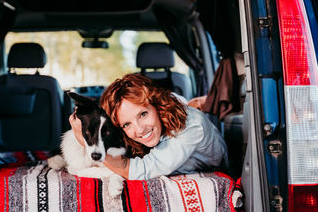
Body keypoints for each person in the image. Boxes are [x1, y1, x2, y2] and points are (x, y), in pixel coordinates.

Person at [69, 74, 228, 180]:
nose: (139, 130)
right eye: (126, 124)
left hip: (211, 167)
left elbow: (139, 170)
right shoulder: (161, 113)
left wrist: (85, 142)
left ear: (156, 104)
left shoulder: (191, 125)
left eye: (143, 114)